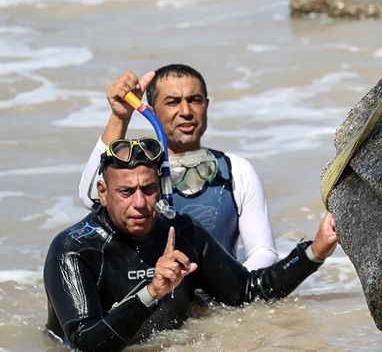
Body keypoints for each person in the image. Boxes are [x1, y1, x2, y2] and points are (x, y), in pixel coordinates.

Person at [46, 137, 338, 352]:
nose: (140, 203)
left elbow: (248, 292)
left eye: (148, 189)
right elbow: (85, 344)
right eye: (126, 192)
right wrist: (152, 292)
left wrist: (314, 252)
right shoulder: (73, 250)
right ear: (103, 192)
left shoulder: (183, 232)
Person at [78, 64, 277, 269]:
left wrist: (229, 283)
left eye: (195, 100)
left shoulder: (236, 170)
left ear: (206, 105)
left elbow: (263, 252)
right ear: (152, 111)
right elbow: (90, 197)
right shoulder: (139, 171)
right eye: (172, 102)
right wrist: (120, 118)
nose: (186, 111)